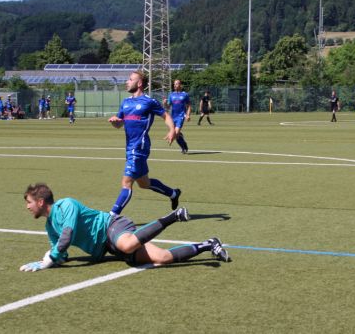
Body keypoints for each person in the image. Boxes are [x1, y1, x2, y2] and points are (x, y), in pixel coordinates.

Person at [19, 183, 230, 272]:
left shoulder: (66, 205)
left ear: (40, 202)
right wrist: (48, 258)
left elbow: (67, 236)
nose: (27, 207)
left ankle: (172, 217)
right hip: (109, 247)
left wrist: (51, 258)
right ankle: (208, 245)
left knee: (128, 245)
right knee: (163, 258)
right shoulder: (49, 225)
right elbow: (61, 252)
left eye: (28, 202)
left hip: (112, 227)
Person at [108, 70, 181, 217]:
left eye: (130, 79)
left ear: (139, 83)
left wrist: (172, 129)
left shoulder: (149, 102)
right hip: (129, 147)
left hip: (139, 147)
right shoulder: (126, 102)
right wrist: (115, 122)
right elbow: (120, 124)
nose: (127, 82)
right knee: (144, 183)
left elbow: (165, 115)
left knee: (126, 183)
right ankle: (173, 193)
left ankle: (110, 218)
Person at [163, 79, 191, 154]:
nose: (175, 85)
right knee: (176, 134)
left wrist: (188, 115)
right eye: (174, 84)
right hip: (173, 117)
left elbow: (188, 106)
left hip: (181, 116)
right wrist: (165, 103)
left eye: (177, 84)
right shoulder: (171, 95)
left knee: (175, 133)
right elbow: (168, 107)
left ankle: (183, 146)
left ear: (180, 85)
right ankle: (183, 146)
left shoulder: (185, 94)